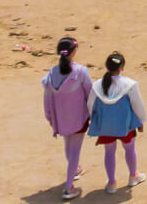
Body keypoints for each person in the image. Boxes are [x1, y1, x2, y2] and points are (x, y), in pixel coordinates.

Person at [87, 53, 147, 194]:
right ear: (122, 67)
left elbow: (90, 104)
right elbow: (137, 104)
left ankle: (112, 182)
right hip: (125, 125)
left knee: (109, 152)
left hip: (106, 125)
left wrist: (93, 119)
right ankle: (133, 176)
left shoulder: (97, 85)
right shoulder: (130, 84)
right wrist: (141, 121)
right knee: (130, 149)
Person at [42, 37, 94, 200]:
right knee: (75, 150)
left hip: (60, 118)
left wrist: (51, 117)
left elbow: (46, 99)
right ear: (73, 52)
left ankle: (76, 170)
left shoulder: (51, 73)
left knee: (68, 145)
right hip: (78, 117)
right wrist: (93, 113)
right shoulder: (80, 72)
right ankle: (68, 187)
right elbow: (90, 94)